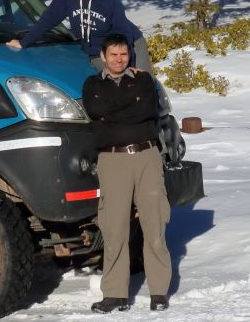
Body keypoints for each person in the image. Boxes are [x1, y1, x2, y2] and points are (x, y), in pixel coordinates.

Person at [82, 34, 171, 313]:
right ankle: (115, 294)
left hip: (146, 156)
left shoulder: (144, 81)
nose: (119, 60)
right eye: (114, 55)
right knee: (114, 228)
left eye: (124, 55)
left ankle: (158, 292)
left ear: (129, 55)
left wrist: (113, 113)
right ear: (103, 56)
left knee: (154, 225)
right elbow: (95, 109)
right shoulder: (92, 84)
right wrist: (126, 108)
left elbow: (147, 109)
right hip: (112, 159)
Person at [6, 0, 151, 70]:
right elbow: (48, 19)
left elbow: (124, 34)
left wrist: (130, 65)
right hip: (97, 53)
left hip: (129, 45)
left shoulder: (110, 1)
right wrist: (23, 42)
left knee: (141, 84)